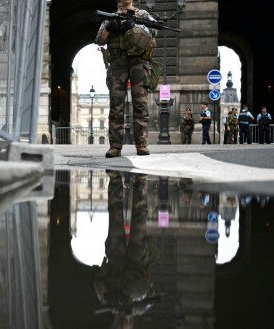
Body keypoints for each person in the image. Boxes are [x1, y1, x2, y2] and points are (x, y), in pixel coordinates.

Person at [94, 171, 159, 327]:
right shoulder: (141, 308)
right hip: (137, 261)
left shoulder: (108, 302)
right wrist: (129, 296)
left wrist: (109, 295)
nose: (122, 326)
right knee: (139, 217)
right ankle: (141, 183)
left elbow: (97, 281)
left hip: (116, 258)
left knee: (115, 214)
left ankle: (116, 180)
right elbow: (147, 287)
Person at [95, 0, 158, 157]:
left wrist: (135, 27)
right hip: (117, 63)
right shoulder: (110, 17)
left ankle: (142, 145)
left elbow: (155, 31)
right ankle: (115, 146)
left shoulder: (142, 15)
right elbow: (99, 40)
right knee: (116, 104)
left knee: (140, 103)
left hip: (138, 61)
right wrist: (110, 27)